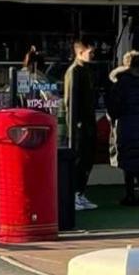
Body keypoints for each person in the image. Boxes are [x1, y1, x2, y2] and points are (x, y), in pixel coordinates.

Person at [106, 50, 139, 206]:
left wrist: (113, 118)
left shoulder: (121, 82)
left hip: (126, 123)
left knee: (128, 159)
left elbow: (113, 105)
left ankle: (129, 194)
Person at [64, 38, 97, 210]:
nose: (92, 56)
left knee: (87, 159)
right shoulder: (74, 71)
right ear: (80, 52)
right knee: (78, 159)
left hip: (89, 121)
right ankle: (74, 194)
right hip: (79, 124)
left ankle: (80, 192)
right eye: (90, 52)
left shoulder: (87, 71)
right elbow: (70, 101)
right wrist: (74, 124)